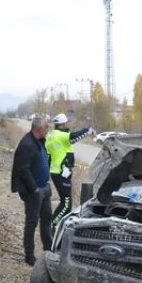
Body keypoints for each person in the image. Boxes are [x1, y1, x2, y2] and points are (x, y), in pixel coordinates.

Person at [11, 117, 52, 266]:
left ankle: (49, 249)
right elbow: (22, 169)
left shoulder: (39, 141)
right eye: (46, 128)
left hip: (45, 188)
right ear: (39, 129)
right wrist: (34, 188)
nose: (48, 130)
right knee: (32, 222)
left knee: (47, 219)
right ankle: (29, 256)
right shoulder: (26, 144)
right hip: (34, 191)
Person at [45, 113, 95, 228]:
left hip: (56, 173)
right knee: (66, 204)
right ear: (62, 124)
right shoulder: (61, 136)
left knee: (65, 202)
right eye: (66, 123)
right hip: (61, 173)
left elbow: (48, 158)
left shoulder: (51, 136)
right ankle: (53, 226)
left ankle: (58, 226)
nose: (68, 125)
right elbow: (74, 137)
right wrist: (88, 130)